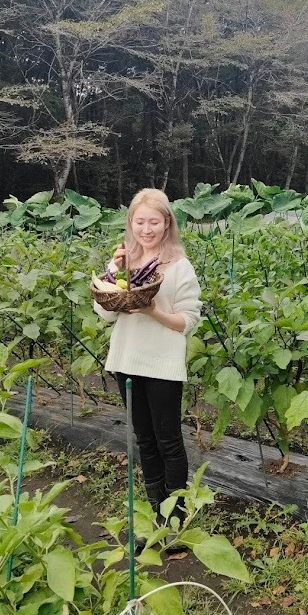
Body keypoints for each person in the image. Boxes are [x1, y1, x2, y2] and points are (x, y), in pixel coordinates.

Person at [93, 188, 201, 530]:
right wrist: (112, 269)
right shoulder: (124, 261)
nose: (146, 229)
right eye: (140, 221)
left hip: (163, 364)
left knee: (168, 439)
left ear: (166, 223)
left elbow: (188, 321)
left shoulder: (179, 266)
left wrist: (153, 310)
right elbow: (105, 313)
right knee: (144, 438)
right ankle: (158, 514)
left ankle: (176, 517)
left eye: (154, 221)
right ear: (131, 222)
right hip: (125, 361)